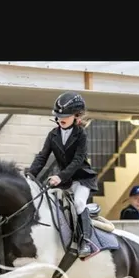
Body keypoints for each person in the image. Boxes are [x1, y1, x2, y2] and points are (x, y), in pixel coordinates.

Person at [27, 92, 99, 258]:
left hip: (82, 179)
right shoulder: (53, 134)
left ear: (76, 116)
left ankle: (86, 241)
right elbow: (42, 157)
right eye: (59, 116)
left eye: (65, 116)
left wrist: (60, 176)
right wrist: (30, 175)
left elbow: (78, 160)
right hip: (65, 181)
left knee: (79, 203)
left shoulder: (81, 134)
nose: (61, 119)